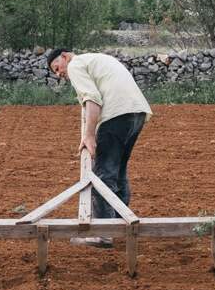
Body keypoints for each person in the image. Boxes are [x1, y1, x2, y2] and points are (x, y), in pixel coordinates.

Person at [47, 49, 152, 248]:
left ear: (66, 56)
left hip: (116, 115)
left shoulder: (76, 65)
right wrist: (88, 133)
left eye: (57, 67)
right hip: (136, 113)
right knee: (118, 171)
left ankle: (102, 234)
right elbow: (90, 104)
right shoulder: (96, 60)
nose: (59, 73)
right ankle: (120, 224)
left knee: (103, 175)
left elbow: (92, 99)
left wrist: (88, 136)